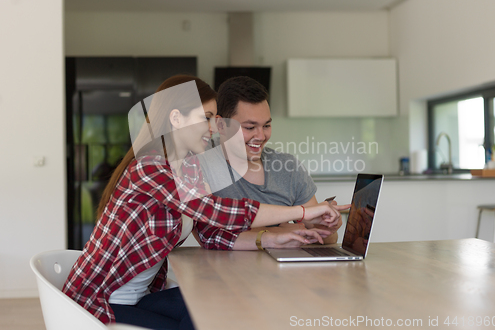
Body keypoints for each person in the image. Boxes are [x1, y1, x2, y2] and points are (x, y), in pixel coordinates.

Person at [62, 75, 341, 330]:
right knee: (201, 321)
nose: (212, 127)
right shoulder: (149, 168)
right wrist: (304, 211)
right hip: (99, 301)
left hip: (141, 297)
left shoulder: (189, 170)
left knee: (216, 302)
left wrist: (274, 240)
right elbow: (219, 213)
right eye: (206, 117)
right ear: (177, 118)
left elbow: (212, 234)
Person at [199, 76, 350, 250]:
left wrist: (327, 226)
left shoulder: (289, 167)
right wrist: (278, 231)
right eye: (249, 127)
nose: (261, 136)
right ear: (221, 125)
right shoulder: (200, 164)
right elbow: (208, 234)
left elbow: (326, 238)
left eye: (266, 126)